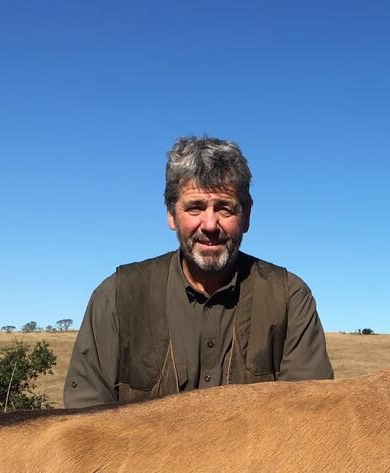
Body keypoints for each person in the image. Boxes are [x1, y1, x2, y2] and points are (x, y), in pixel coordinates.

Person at [64, 136, 333, 408]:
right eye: (195, 207)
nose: (210, 224)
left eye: (225, 208)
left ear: (247, 216)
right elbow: (84, 421)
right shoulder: (117, 296)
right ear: (171, 213)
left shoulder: (289, 298)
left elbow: (310, 417)